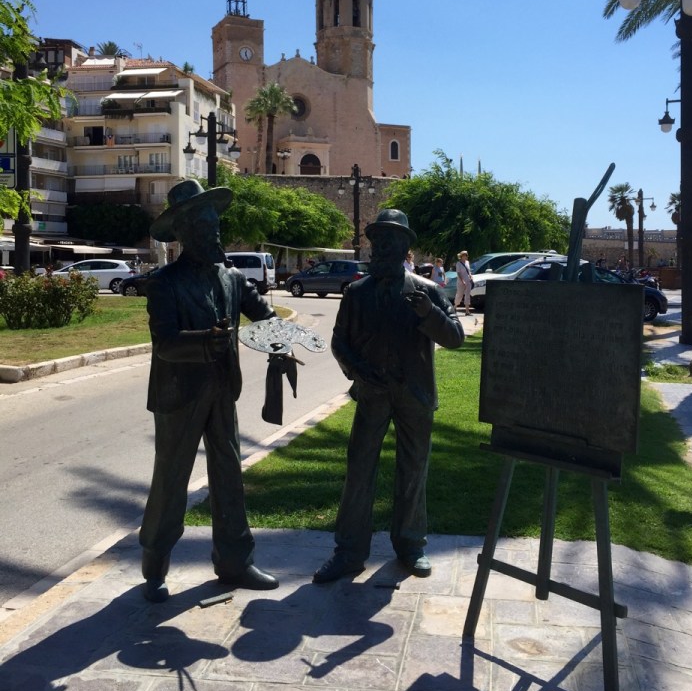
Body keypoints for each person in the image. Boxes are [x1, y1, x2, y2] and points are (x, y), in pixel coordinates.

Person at [139, 178, 280, 602]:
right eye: (203, 226)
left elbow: (267, 316)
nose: (213, 232)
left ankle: (235, 561)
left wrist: (284, 344)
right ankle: (155, 561)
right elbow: (165, 343)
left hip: (221, 393)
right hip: (179, 395)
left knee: (229, 475)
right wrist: (204, 342)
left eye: (215, 224)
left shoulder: (232, 278)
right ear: (183, 234)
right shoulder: (164, 283)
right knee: (171, 479)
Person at [312, 209, 464, 584]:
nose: (380, 247)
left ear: (404, 247)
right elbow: (339, 341)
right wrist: (358, 372)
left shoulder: (426, 291)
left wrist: (431, 315)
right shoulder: (357, 293)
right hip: (372, 394)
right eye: (377, 240)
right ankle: (349, 551)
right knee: (359, 471)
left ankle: (411, 545)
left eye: (389, 241)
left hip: (415, 395)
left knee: (414, 470)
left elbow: (456, 337)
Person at [454, 250, 473, 316]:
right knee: (459, 295)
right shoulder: (458, 263)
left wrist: (471, 276)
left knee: (467, 295)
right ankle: (454, 307)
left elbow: (469, 271)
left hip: (468, 280)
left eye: (466, 255)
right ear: (461, 256)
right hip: (461, 281)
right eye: (465, 255)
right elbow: (458, 273)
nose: (466, 256)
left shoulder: (467, 262)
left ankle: (467, 311)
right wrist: (462, 281)